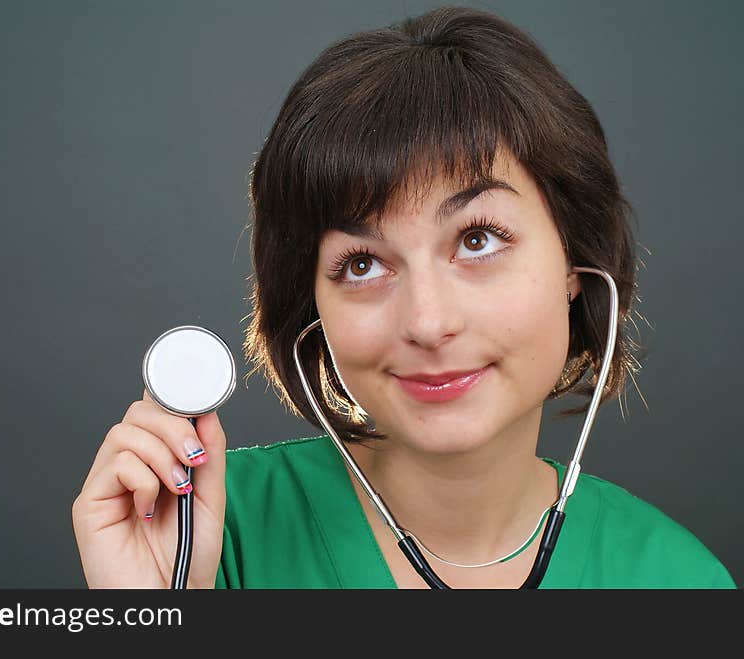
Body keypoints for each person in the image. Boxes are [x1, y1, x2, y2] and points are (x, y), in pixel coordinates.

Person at [71, 5, 735, 589]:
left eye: (477, 238)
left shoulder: (681, 580)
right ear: (311, 308)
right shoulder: (204, 538)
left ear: (576, 261)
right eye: (362, 262)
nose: (427, 320)